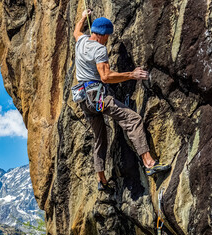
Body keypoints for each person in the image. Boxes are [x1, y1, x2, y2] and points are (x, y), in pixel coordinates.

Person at [73, 10, 171, 191]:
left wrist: (83, 16)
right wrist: (132, 75)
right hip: (98, 97)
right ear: (103, 35)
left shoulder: (81, 41)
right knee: (133, 119)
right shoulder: (99, 49)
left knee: (99, 138)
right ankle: (149, 164)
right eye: (107, 36)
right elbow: (105, 76)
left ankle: (101, 180)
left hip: (83, 99)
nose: (108, 40)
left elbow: (76, 31)